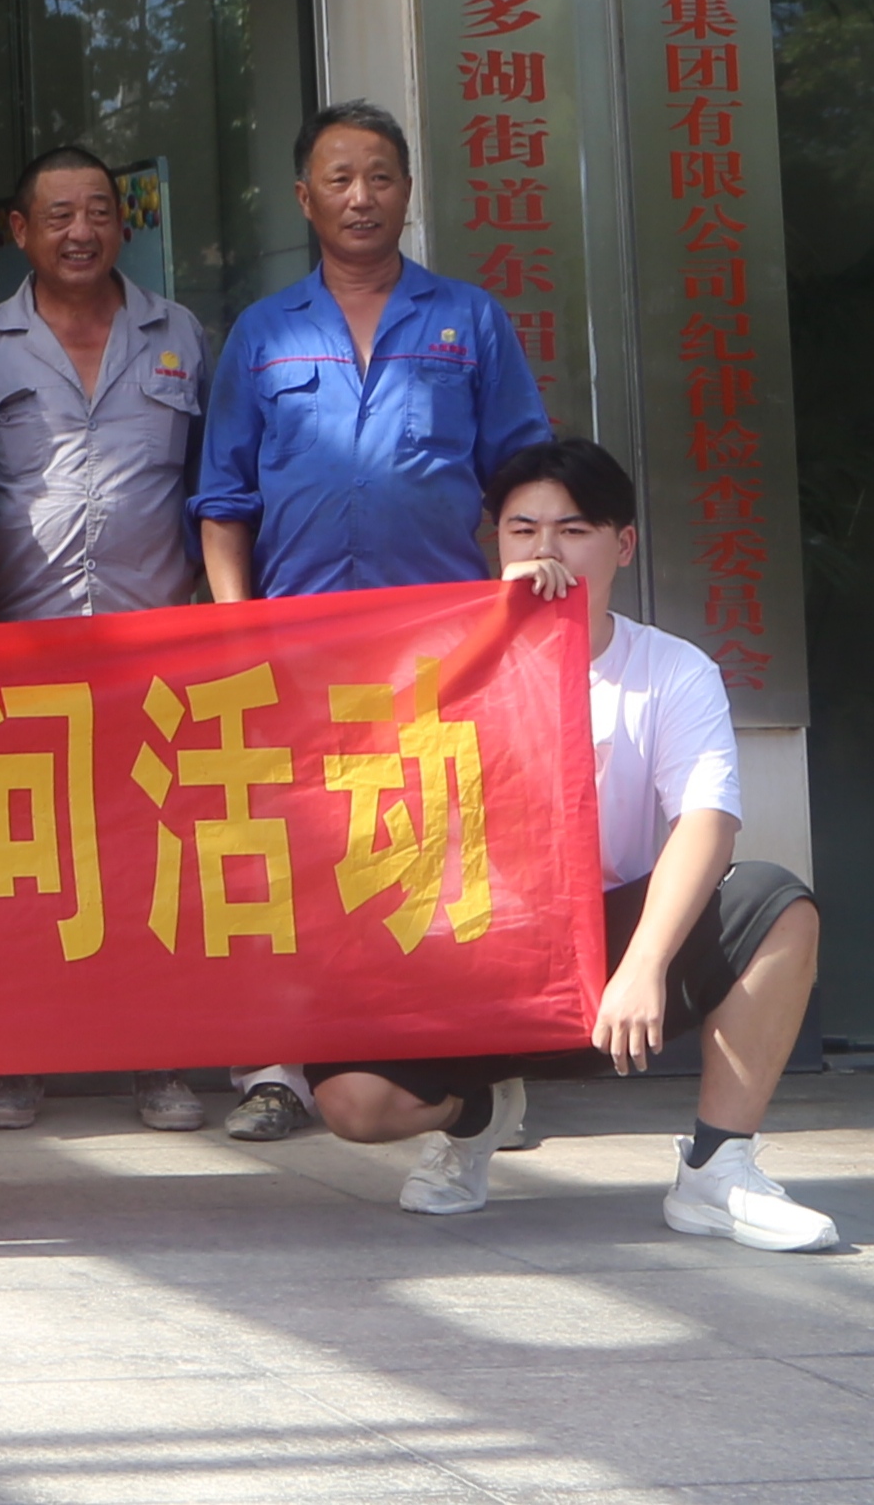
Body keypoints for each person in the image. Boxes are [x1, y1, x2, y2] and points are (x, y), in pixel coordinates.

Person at [305, 439, 839, 1251]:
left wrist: (642, 963)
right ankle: (475, 1114)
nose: (544, 551)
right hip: (465, 950)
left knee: (773, 903)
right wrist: (496, 634)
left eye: (572, 530)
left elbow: (705, 819)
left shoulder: (671, 670)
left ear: (621, 545)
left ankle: (717, 1168)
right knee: (353, 1104)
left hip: (602, 946)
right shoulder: (430, 661)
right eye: (521, 530)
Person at [197, 102, 551, 1144]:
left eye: (380, 176)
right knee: (291, 857)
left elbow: (522, 474)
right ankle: (278, 1071)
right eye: (338, 178)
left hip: (439, 655)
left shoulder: (468, 321)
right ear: (302, 198)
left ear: (406, 191)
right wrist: (233, 629)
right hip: (297, 653)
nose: (360, 197)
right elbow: (222, 500)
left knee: (429, 854)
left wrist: (521, 582)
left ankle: (443, 1057)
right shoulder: (263, 333)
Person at [0, 146, 216, 1135]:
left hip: (152, 649)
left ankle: (158, 1057)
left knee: (148, 858)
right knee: (22, 861)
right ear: (20, 231)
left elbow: (213, 487)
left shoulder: (179, 335)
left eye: (98, 211)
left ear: (122, 223)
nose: (81, 231)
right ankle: (17, 1057)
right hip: (23, 653)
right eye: (58, 215)